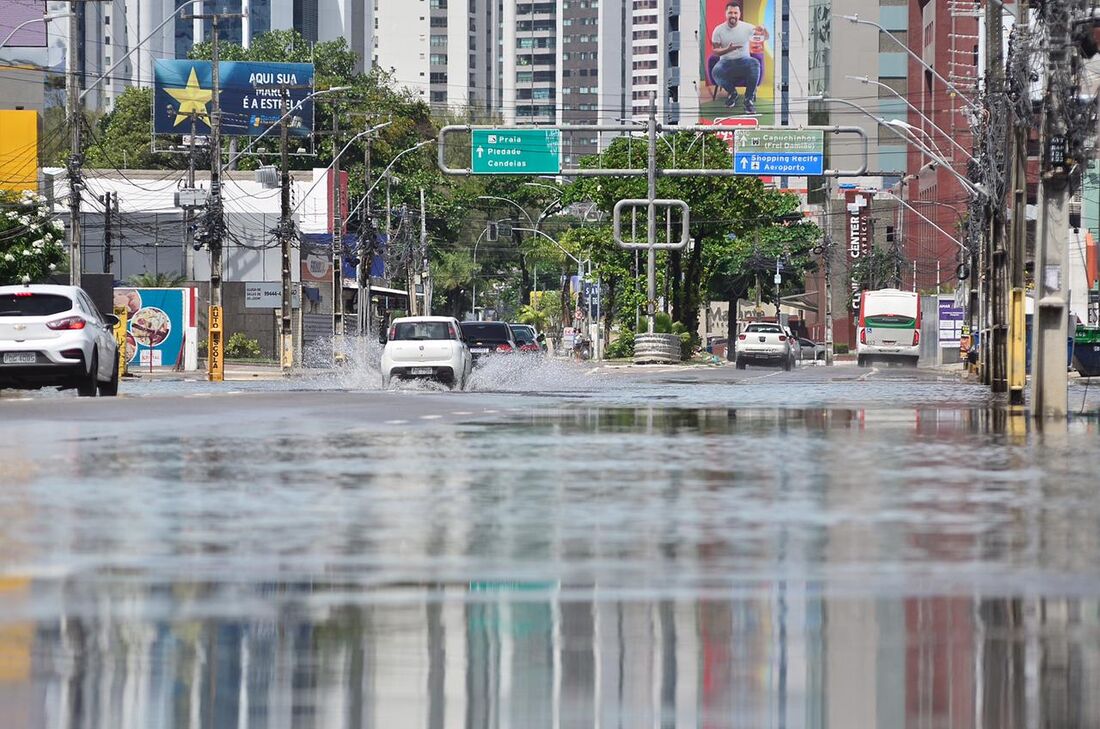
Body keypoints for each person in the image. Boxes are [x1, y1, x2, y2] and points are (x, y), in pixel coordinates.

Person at [711, 0, 769, 113]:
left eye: (735, 13)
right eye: (730, 13)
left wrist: (764, 30)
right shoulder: (718, 30)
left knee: (755, 63)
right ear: (726, 14)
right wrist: (728, 49)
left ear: (739, 14)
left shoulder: (747, 28)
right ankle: (732, 93)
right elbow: (716, 51)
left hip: (744, 61)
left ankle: (748, 100)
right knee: (716, 71)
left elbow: (765, 38)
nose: (733, 15)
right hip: (726, 62)